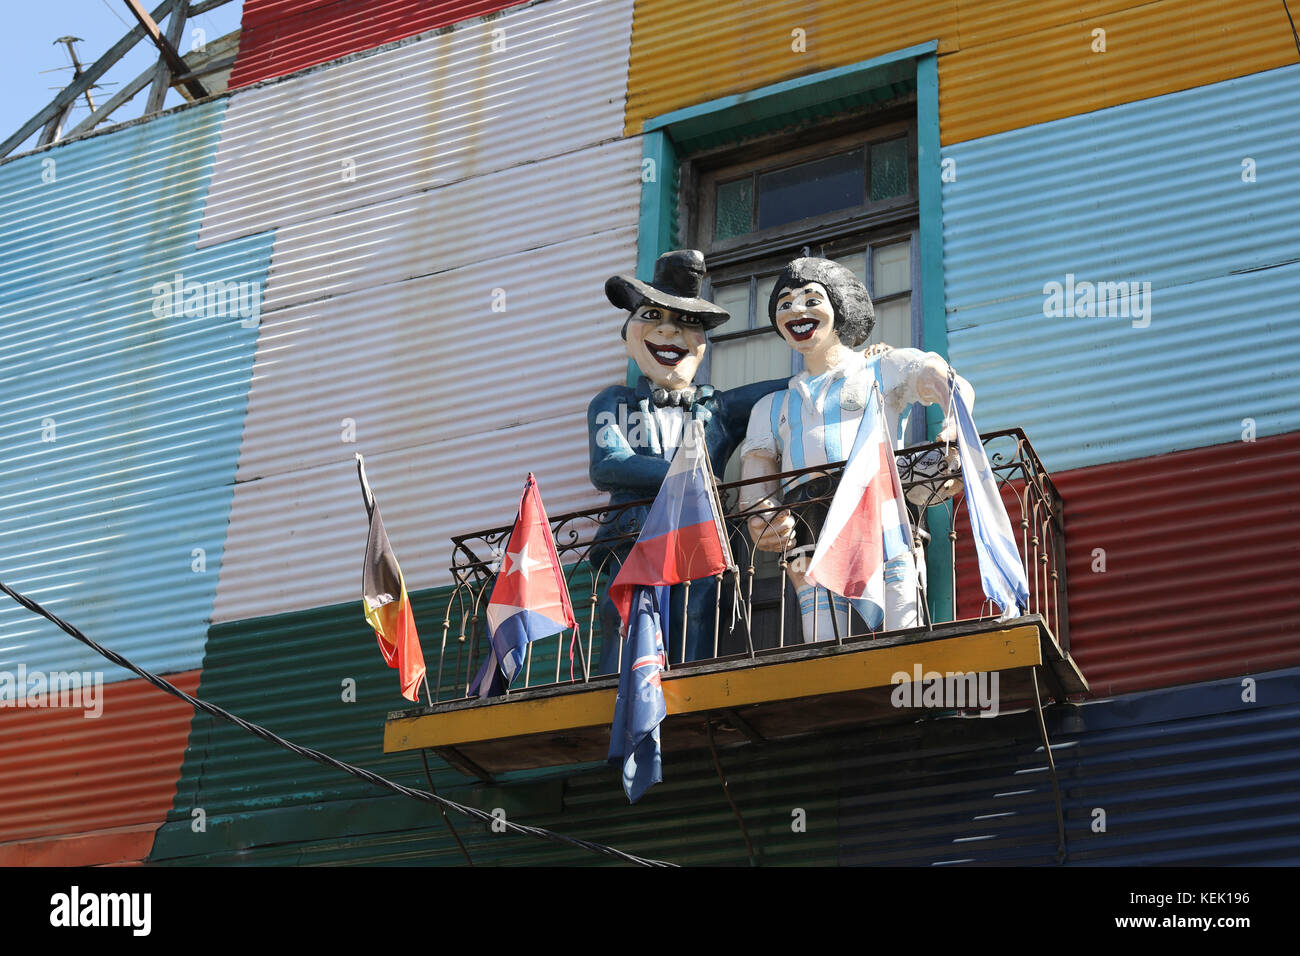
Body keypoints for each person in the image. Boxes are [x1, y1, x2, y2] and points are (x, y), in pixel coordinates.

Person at [738, 256, 974, 642]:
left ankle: (907, 682)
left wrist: (954, 425)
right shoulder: (770, 406)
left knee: (901, 624)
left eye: (812, 299)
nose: (797, 310)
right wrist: (760, 515)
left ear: (839, 307)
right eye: (785, 303)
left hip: (881, 509)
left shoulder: (883, 368)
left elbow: (947, 381)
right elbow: (756, 475)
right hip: (809, 519)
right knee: (823, 641)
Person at [588, 249, 785, 672]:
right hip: (634, 531)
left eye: (686, 323)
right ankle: (618, 693)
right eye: (653, 317)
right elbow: (608, 463)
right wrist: (688, 476)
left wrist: (852, 364)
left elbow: (791, 387)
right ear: (628, 333)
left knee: (697, 612)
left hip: (701, 534)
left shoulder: (720, 407)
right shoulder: (613, 401)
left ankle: (689, 681)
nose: (669, 332)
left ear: (702, 343)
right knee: (623, 613)